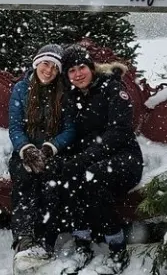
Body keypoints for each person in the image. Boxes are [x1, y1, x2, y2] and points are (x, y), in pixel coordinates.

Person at [56, 44, 144, 275]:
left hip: (125, 158)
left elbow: (119, 133)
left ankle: (117, 246)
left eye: (81, 67)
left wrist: (84, 158)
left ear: (91, 68)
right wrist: (60, 155)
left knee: (92, 178)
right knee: (69, 174)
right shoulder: (72, 97)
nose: (78, 74)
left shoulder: (112, 89)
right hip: (91, 159)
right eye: (71, 70)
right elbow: (72, 133)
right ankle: (82, 242)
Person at [8, 43, 76, 272]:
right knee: (24, 180)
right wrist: (26, 150)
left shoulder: (63, 93)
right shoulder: (21, 89)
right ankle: (25, 239)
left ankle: (47, 241)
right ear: (37, 63)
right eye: (45, 64)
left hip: (52, 151)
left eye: (55, 68)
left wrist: (49, 149)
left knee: (51, 184)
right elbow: (15, 126)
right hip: (25, 150)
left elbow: (69, 129)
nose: (49, 71)